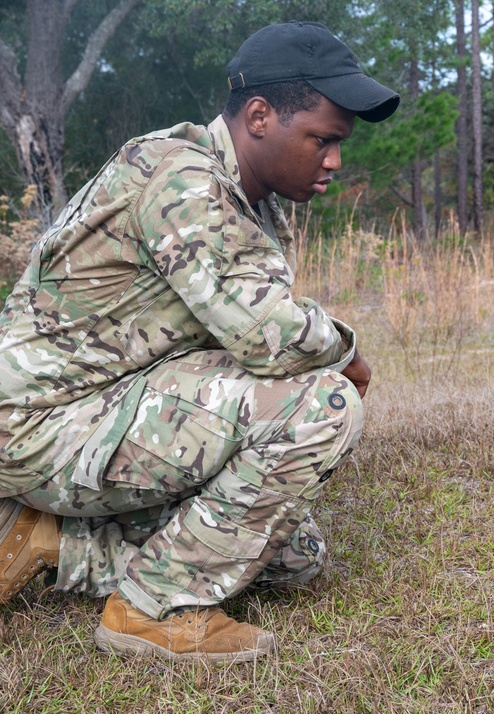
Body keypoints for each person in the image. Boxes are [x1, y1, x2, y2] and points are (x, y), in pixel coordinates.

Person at [0, 20, 399, 662]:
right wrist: (347, 351)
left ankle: (51, 542)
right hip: (41, 425)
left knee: (294, 556)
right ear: (261, 116)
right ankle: (153, 607)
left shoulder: (239, 195)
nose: (335, 161)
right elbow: (267, 335)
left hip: (98, 408)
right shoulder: (179, 174)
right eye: (322, 139)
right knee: (321, 404)